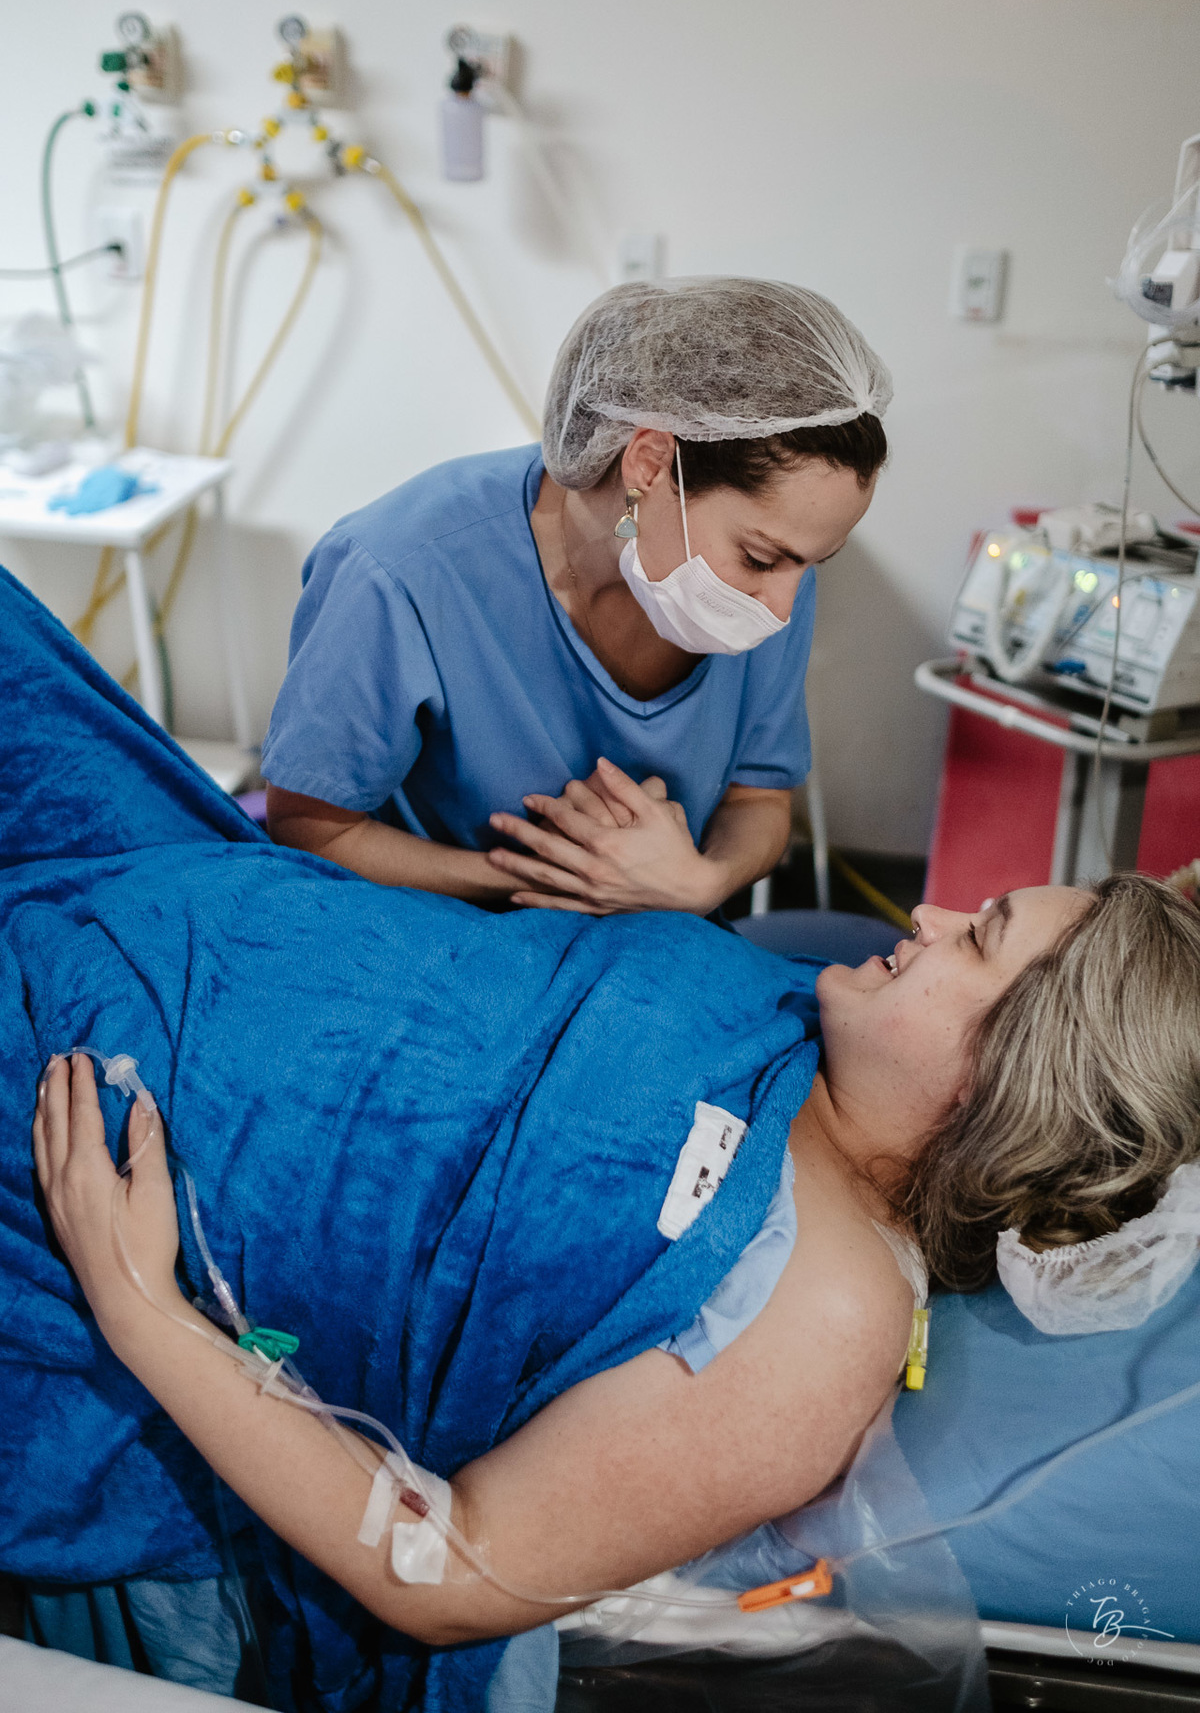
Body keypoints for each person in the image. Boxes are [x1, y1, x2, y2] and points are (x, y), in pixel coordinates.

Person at [34, 870, 1200, 1681]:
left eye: (982, 933)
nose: (932, 911)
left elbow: (453, 1569)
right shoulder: (802, 1008)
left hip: (88, 1133)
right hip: (179, 935)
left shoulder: (831, 1315)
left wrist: (146, 1308)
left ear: (1006, 1089)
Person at [261, 277, 891, 916]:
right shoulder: (398, 575)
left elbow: (759, 800)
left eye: (811, 565)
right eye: (760, 558)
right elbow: (311, 827)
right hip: (439, 938)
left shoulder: (774, 581)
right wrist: (559, 878)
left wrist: (701, 883)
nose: (781, 608)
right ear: (648, 465)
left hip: (654, 944)